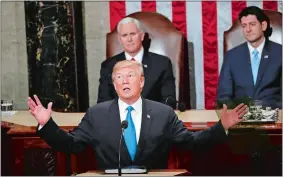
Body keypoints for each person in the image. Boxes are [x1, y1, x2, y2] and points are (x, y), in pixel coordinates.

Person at [28, 60, 247, 170]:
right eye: (119, 78)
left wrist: (222, 127)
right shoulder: (96, 114)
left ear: (141, 82)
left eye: (130, 76)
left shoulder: (163, 113)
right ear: (114, 85)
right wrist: (47, 125)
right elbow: (72, 145)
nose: (124, 81)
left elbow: (192, 143)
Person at [97, 17, 176, 108]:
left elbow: (169, 101)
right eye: (124, 35)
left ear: (141, 36)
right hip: (119, 119)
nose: (129, 39)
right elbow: (103, 103)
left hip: (153, 118)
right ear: (120, 39)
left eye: (133, 34)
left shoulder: (162, 64)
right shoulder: (108, 66)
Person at [217, 6, 282, 109]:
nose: (248, 30)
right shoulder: (232, 56)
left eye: (252, 24)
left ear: (263, 25)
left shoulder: (280, 53)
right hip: (241, 118)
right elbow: (223, 96)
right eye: (244, 25)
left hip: (275, 116)